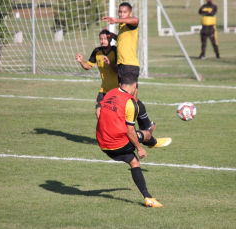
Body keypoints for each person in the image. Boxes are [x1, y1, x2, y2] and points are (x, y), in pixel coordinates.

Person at [96, 72, 171, 208]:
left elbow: (98, 112)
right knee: (146, 134)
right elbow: (130, 132)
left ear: (120, 84)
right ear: (135, 85)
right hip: (119, 142)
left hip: (103, 142)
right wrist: (139, 148)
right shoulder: (130, 103)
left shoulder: (110, 92)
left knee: (134, 162)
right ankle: (153, 142)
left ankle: (148, 198)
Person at [102, 2, 153, 132]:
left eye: (124, 12)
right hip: (123, 66)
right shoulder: (122, 26)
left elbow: (136, 20)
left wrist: (116, 19)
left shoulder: (131, 23)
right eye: (120, 12)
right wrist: (114, 37)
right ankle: (145, 125)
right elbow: (124, 41)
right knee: (130, 99)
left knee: (130, 99)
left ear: (129, 13)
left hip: (130, 65)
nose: (121, 14)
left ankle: (141, 126)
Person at [75, 30, 119, 119]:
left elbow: (120, 70)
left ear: (110, 39)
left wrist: (109, 63)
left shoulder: (115, 50)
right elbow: (87, 66)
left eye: (105, 39)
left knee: (115, 115)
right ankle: (105, 132)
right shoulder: (97, 51)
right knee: (98, 113)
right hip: (104, 89)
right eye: (101, 39)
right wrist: (81, 61)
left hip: (117, 89)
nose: (102, 41)